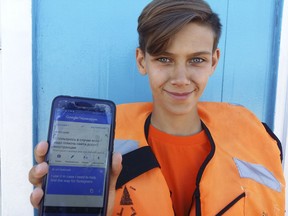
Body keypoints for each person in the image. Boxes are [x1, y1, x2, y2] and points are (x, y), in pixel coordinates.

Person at [29, 0, 285, 215]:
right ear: (142, 61)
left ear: (214, 62)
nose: (181, 78)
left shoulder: (255, 141)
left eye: (197, 60)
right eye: (164, 58)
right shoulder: (98, 146)